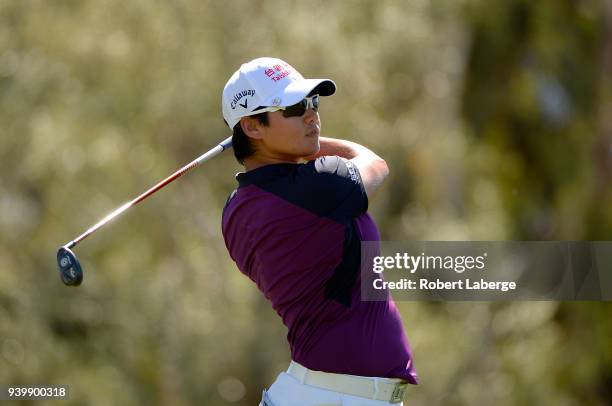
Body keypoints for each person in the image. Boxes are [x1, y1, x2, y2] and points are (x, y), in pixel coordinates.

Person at [221, 57, 418, 406]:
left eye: (314, 103)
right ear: (253, 126)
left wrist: (291, 135)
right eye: (296, 107)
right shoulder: (318, 189)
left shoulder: (236, 210)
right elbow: (373, 162)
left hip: (318, 393)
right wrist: (313, 141)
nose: (312, 115)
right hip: (335, 397)